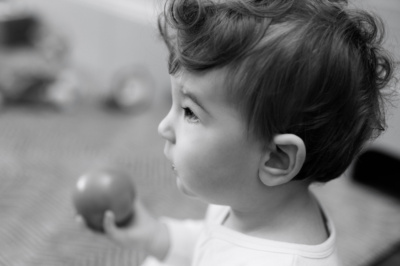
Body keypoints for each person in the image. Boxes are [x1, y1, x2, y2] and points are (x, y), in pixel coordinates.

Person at [96, 0, 395, 265]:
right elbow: (211, 244)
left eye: (189, 111)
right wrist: (157, 236)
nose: (163, 127)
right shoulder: (249, 202)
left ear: (276, 159)